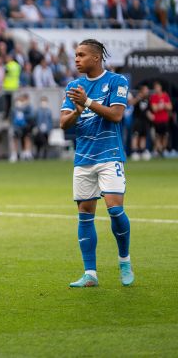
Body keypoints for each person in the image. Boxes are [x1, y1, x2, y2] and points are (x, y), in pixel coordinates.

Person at [60, 39, 133, 288]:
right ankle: (90, 273)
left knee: (115, 209)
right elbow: (63, 124)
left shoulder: (116, 81)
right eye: (76, 54)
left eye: (81, 55)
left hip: (109, 155)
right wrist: (78, 110)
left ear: (96, 58)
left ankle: (124, 260)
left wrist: (88, 103)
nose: (76, 59)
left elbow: (116, 115)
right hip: (83, 158)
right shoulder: (74, 86)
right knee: (85, 215)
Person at [150, 81, 173, 157]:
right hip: (157, 120)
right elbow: (154, 108)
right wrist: (162, 106)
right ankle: (159, 150)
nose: (157, 89)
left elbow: (170, 107)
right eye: (155, 88)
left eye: (158, 87)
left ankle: (163, 150)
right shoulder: (154, 97)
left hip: (165, 120)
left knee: (165, 136)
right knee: (158, 136)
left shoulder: (165, 96)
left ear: (161, 88)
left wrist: (161, 106)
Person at [129, 84, 151, 161]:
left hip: (144, 121)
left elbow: (148, 110)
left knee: (143, 136)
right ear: (142, 91)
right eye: (145, 90)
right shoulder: (137, 97)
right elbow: (131, 103)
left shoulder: (148, 99)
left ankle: (142, 151)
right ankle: (134, 152)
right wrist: (138, 97)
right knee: (135, 136)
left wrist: (151, 116)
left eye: (147, 90)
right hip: (137, 120)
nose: (147, 91)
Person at [10, 93, 34, 162]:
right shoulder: (14, 109)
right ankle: (14, 154)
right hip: (16, 127)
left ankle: (27, 153)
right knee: (15, 139)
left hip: (25, 126)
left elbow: (31, 116)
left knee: (26, 138)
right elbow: (11, 117)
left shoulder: (27, 108)